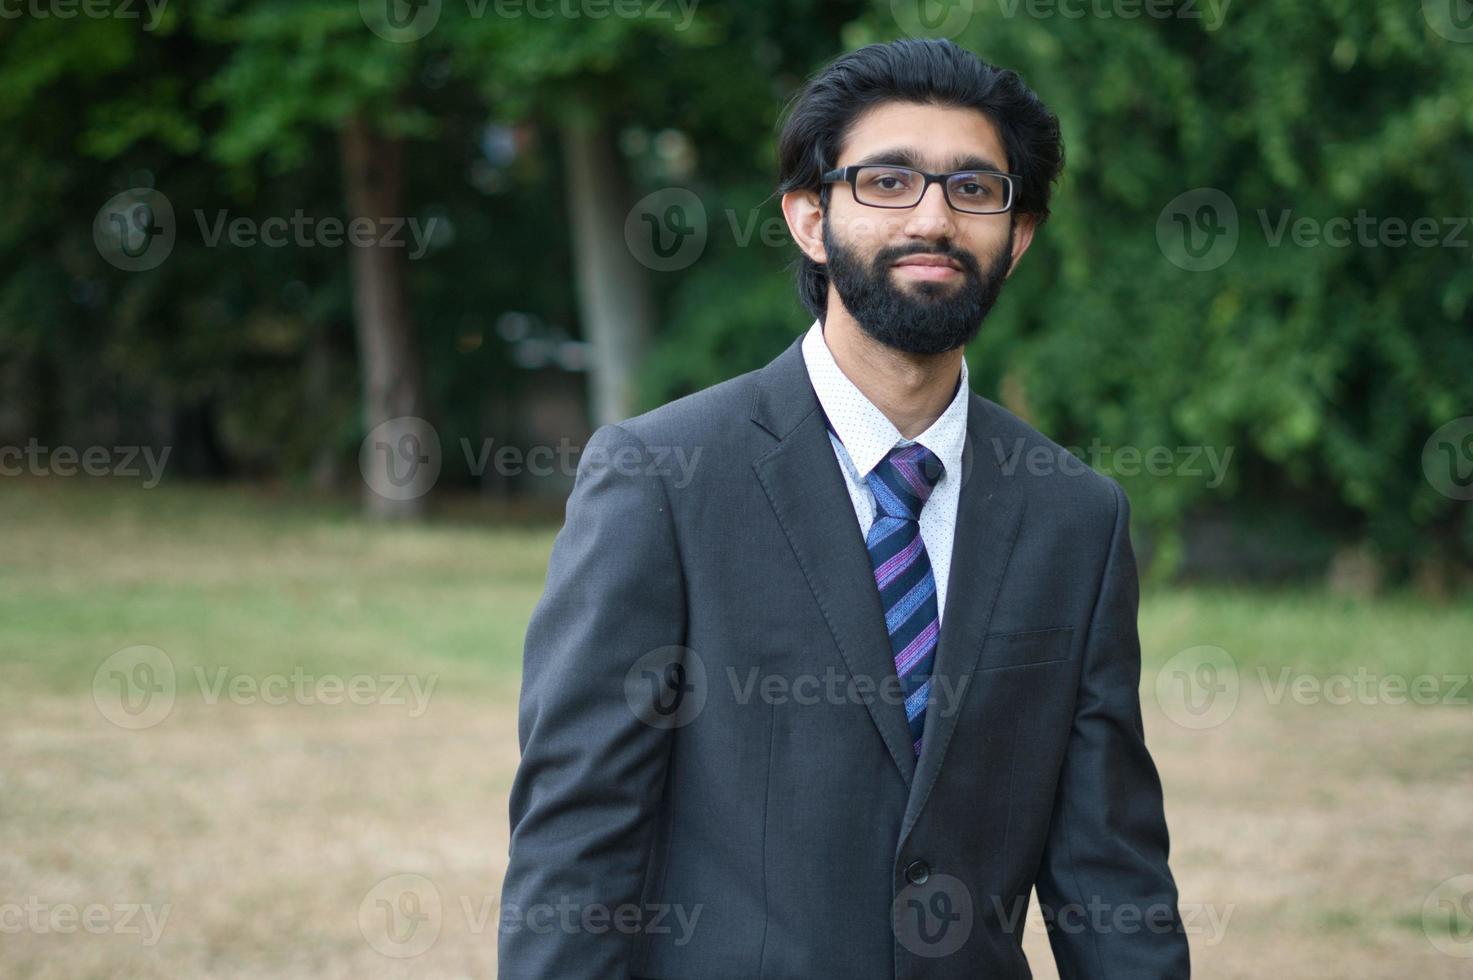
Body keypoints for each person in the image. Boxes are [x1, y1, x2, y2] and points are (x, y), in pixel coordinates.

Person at [499, 37, 1189, 979]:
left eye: (974, 189)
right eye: (886, 182)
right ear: (809, 219)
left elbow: (1111, 877)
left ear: (1016, 238)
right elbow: (576, 853)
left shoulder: (1076, 517)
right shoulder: (661, 480)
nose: (934, 218)